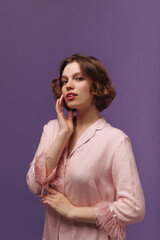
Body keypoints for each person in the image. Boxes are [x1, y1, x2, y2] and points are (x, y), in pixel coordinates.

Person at [26, 54, 145, 240]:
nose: (69, 86)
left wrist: (72, 211)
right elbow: (34, 185)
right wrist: (63, 135)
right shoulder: (52, 130)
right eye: (65, 81)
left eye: (78, 78)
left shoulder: (115, 140)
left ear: (95, 86)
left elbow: (134, 208)